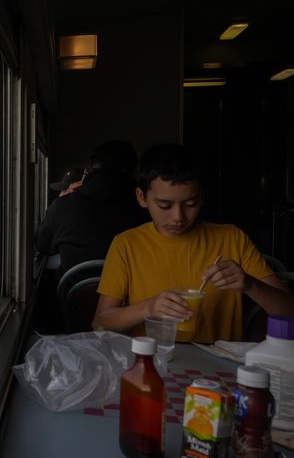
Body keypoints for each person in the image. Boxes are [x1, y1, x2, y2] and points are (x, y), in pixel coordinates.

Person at [93, 143, 294, 343]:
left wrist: (250, 285)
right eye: (165, 205)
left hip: (219, 368)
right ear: (142, 197)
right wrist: (148, 308)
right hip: (153, 362)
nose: (178, 217)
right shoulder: (127, 244)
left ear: (202, 197)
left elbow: (289, 312)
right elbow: (100, 322)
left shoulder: (232, 238)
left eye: (190, 204)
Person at [34, 140, 148, 279]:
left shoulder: (63, 205)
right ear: (134, 171)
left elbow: (41, 244)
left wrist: (61, 200)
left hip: (74, 296)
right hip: (132, 296)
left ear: (91, 168)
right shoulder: (146, 207)